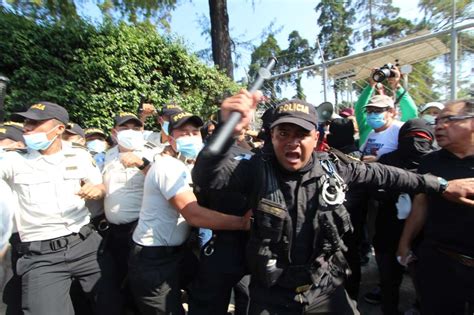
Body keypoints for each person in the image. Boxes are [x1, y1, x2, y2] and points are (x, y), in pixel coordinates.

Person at [192, 91, 474, 315]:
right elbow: (207, 177)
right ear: (272, 137)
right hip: (272, 294)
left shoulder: (336, 167)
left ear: (316, 137)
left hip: (325, 288)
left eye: (301, 134)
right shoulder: (253, 169)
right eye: (283, 134)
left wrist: (442, 185)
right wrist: (226, 130)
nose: (292, 143)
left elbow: (390, 175)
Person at [0, 101, 120, 315]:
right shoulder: (12, 160)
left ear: (59, 129)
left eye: (35, 123)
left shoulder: (80, 155)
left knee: (110, 303)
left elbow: (100, 187)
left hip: (85, 244)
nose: (27, 127)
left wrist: (97, 190)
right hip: (40, 255)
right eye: (26, 121)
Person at [129, 111, 251, 315]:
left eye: (195, 132)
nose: (191, 138)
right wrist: (243, 223)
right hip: (153, 259)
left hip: (180, 254)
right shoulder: (167, 166)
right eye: (183, 133)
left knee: (203, 291)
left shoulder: (188, 165)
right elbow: (193, 214)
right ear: (170, 138)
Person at [398, 100, 474, 314]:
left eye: (448, 119)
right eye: (437, 121)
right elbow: (420, 204)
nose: (438, 126)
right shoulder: (430, 162)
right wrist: (404, 243)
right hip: (439, 260)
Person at [189, 126, 255, 315]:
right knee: (247, 298)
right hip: (248, 239)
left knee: (209, 301)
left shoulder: (208, 162)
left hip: (218, 240)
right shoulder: (255, 157)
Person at [373, 118, 435, 315]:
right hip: (388, 233)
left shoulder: (437, 162)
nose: (415, 143)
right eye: (410, 138)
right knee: (389, 280)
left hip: (424, 236)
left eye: (421, 138)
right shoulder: (387, 161)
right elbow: (374, 191)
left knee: (426, 282)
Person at [101, 112, 162, 312]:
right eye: (125, 128)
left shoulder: (153, 153)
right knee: (119, 279)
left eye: (136, 128)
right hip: (113, 231)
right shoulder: (107, 156)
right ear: (114, 132)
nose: (131, 132)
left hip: (140, 230)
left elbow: (163, 183)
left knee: (141, 283)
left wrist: (142, 164)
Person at [355, 66, 417, 148]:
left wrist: (397, 85)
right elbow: (359, 107)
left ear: (391, 112)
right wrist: (371, 84)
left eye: (378, 110)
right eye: (369, 111)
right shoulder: (366, 127)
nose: (373, 113)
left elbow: (411, 112)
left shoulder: (399, 129)